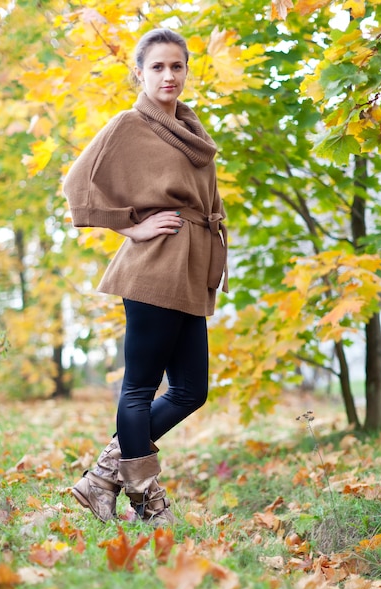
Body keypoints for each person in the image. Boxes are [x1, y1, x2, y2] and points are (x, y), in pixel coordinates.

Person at [63, 28, 228, 526]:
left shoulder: (193, 130)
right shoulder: (129, 125)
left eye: (176, 66)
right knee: (139, 388)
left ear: (186, 71)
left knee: (190, 390)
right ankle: (147, 501)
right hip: (155, 266)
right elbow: (76, 184)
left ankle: (102, 477)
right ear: (140, 72)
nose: (168, 75)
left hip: (190, 266)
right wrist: (130, 227)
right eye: (157, 67)